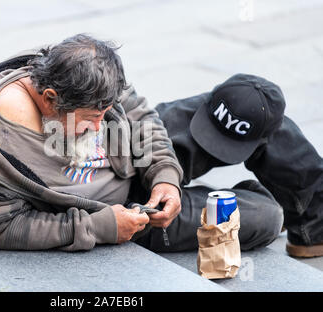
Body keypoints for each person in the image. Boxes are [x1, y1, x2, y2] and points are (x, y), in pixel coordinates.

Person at [0, 33, 183, 251]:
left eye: (104, 114)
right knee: (215, 212)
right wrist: (97, 227)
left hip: (138, 156)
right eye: (91, 118)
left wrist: (165, 175)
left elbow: (139, 114)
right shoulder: (2, 143)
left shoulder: (84, 76)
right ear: (50, 100)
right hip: (124, 213)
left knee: (207, 118)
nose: (100, 126)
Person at [134, 73, 323, 258]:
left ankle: (313, 224)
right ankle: (297, 214)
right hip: (136, 209)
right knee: (267, 215)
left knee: (252, 112)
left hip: (139, 157)